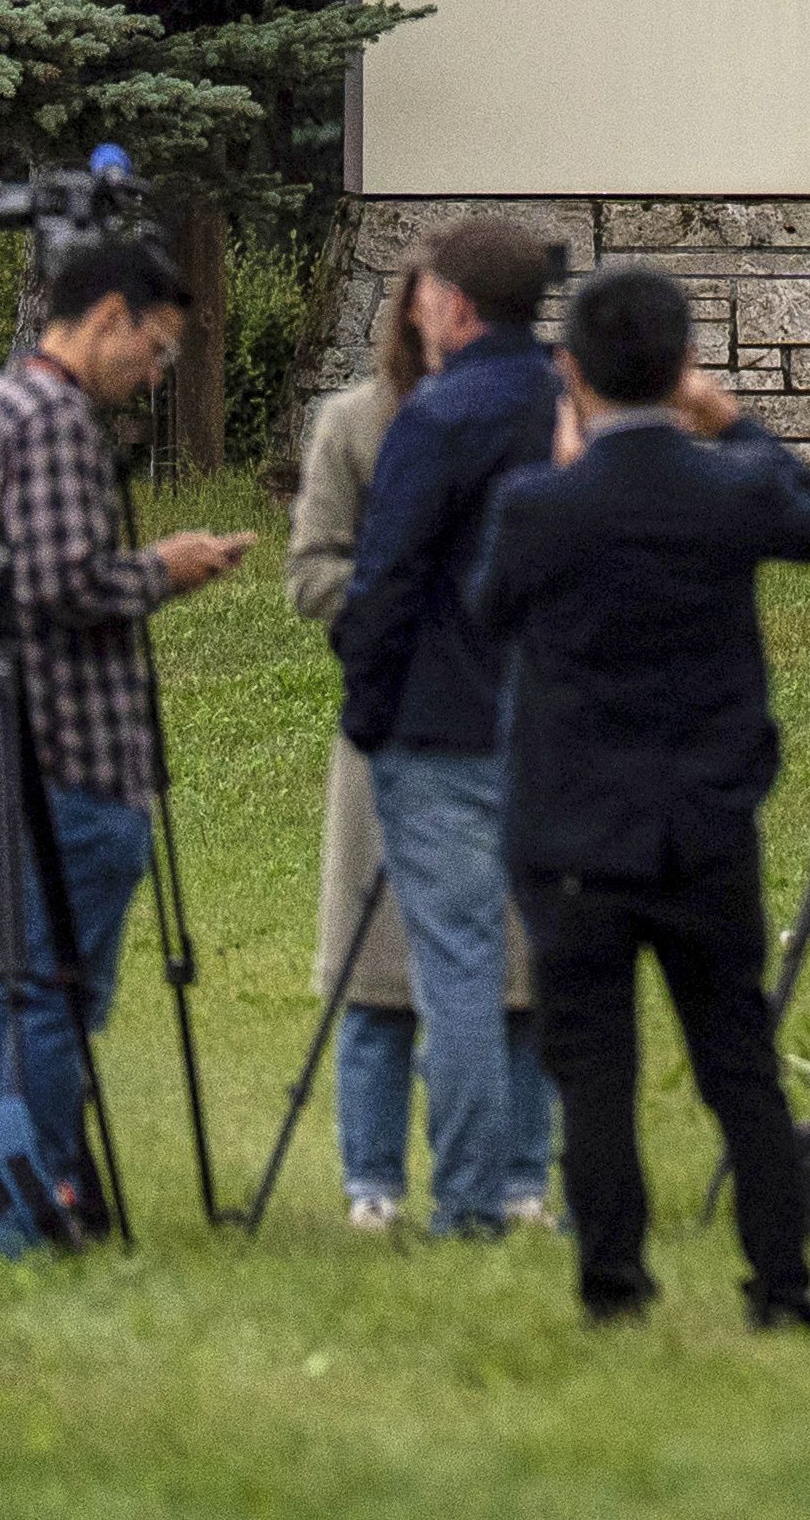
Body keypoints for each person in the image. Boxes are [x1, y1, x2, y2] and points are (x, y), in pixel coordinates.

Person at [467, 266, 810, 1327]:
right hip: (703, 818)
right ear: (682, 371)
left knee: (594, 1071)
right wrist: (740, 424)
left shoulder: (541, 504)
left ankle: (614, 1283)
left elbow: (486, 611)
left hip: (576, 823)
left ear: (571, 373)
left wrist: (554, 468)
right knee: (739, 1066)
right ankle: (782, 1284)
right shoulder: (727, 487)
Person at [0, 236, 256, 1212]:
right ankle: (34, 1192)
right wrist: (167, 568)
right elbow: (63, 582)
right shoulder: (59, 421)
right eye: (154, 348)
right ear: (108, 315)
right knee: (56, 996)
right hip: (68, 748)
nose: (154, 374)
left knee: (18, 989)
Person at [284, 256, 542, 1234]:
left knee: (518, 970)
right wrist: (399, 601)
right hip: (396, 711)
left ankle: (520, 1177)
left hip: (503, 708)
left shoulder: (527, 412)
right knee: (376, 970)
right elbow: (312, 570)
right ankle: (374, 1181)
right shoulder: (356, 423)